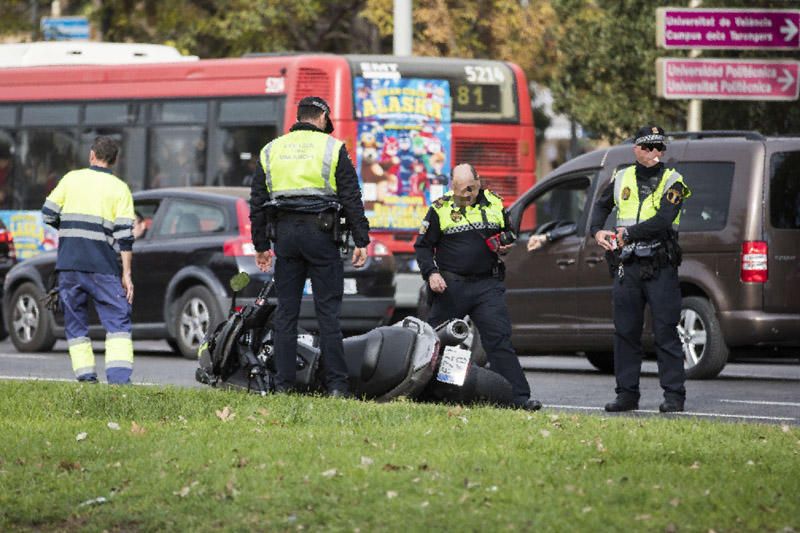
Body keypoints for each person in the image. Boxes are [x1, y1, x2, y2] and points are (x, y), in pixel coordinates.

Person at [250, 96, 370, 397]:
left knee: (286, 314)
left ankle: (283, 385)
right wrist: (361, 240)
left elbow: (257, 202)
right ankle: (337, 386)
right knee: (328, 314)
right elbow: (351, 198)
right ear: (323, 117)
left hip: (286, 236)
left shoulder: (271, 149)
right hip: (321, 235)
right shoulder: (332, 148)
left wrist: (261, 245)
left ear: (299, 117)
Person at [415, 163, 542, 411]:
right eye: (460, 189)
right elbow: (422, 247)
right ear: (452, 186)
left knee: (499, 340)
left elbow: (508, 233)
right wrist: (431, 274)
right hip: (451, 287)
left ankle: (517, 399)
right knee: (442, 343)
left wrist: (506, 245)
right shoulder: (440, 209)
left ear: (479, 181)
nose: (466, 195)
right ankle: (440, 395)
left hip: (487, 285)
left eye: (470, 189)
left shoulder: (495, 202)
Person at [590, 125, 691, 413]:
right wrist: (597, 232)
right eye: (648, 147)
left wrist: (629, 234)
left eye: (660, 147)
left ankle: (674, 396)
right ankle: (626, 394)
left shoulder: (674, 180)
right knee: (625, 332)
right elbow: (600, 207)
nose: (655, 152)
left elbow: (663, 220)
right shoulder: (621, 177)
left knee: (665, 331)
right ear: (636, 148)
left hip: (660, 265)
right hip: (627, 266)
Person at [41, 136, 135, 384]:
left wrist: (69, 230)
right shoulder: (120, 189)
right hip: (102, 266)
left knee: (75, 324)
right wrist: (127, 275)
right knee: (118, 322)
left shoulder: (72, 179)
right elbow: (125, 237)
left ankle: (86, 379)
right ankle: (119, 382)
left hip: (69, 266)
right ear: (115, 160)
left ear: (92, 155)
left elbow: (48, 213)